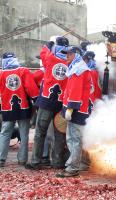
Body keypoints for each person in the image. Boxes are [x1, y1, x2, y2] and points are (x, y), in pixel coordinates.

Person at [26, 36, 69, 170]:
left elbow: (43, 53)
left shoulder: (50, 58)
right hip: (62, 103)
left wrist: (47, 45)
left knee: (40, 132)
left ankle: (35, 161)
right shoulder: (70, 62)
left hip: (46, 101)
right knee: (60, 133)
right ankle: (57, 162)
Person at [56, 46, 93, 177]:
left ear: (76, 55)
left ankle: (73, 168)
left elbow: (75, 91)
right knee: (76, 138)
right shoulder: (77, 68)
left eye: (70, 54)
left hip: (77, 109)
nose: (67, 56)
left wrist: (70, 108)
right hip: (79, 108)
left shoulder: (79, 70)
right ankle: (80, 164)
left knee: (74, 139)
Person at [0, 52, 39, 167]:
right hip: (24, 107)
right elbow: (31, 88)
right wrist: (36, 100)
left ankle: (1, 159)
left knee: (4, 133)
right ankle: (22, 159)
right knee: (24, 134)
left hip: (8, 107)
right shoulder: (23, 71)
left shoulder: (1, 73)